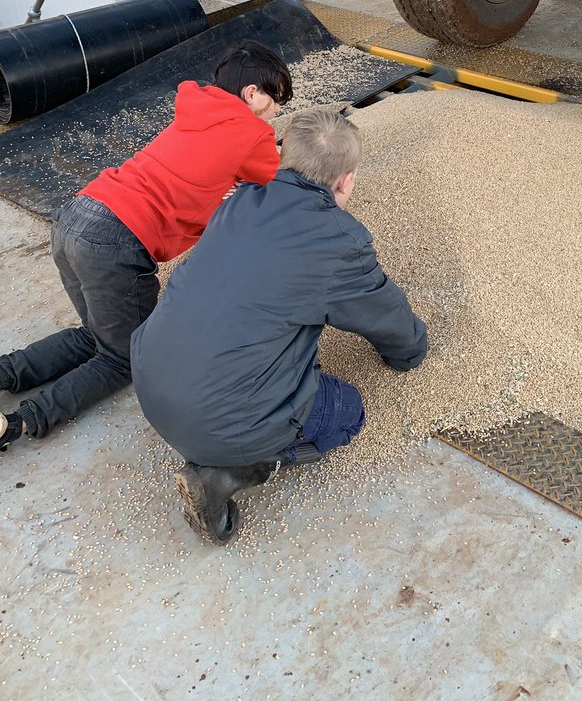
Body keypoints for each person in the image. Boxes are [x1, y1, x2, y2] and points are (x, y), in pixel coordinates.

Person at [130, 107, 427, 545]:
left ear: (282, 155)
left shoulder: (239, 201)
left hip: (150, 383)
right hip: (218, 423)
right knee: (345, 411)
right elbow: (389, 322)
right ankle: (228, 472)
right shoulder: (338, 240)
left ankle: (224, 438)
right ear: (346, 180)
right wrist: (411, 352)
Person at [0, 40, 293, 451]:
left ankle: (5, 373)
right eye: (276, 99)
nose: (277, 111)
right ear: (251, 94)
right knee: (123, 357)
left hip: (78, 214)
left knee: (98, 335)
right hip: (115, 238)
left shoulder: (194, 110)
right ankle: (19, 423)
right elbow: (281, 182)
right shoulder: (252, 131)